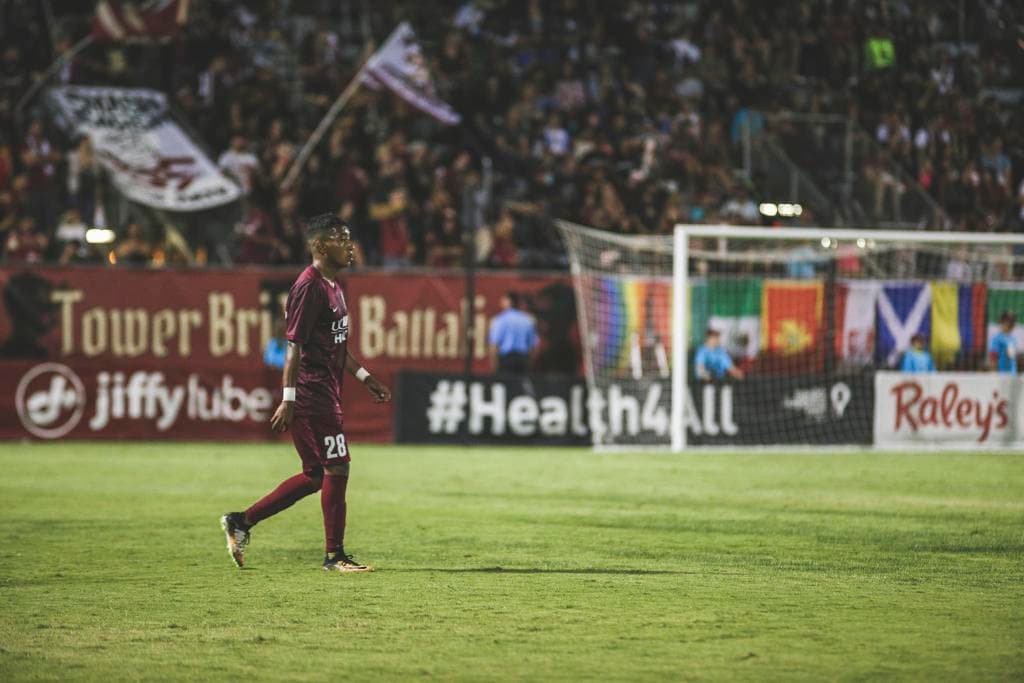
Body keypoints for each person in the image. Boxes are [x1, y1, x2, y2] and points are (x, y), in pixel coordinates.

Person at [221, 214, 392, 572]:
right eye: (341, 239)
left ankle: (241, 520)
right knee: (338, 466)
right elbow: (293, 346)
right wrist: (288, 398)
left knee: (316, 475)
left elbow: (336, 344)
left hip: (325, 390)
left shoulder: (334, 285)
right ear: (319, 246)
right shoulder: (309, 286)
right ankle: (335, 556)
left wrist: (366, 377)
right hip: (312, 393)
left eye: (349, 238)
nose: (349, 246)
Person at [488, 291, 538, 374]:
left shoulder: (500, 320)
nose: (501, 302)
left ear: (509, 302)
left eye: (504, 299)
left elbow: (494, 344)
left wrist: (494, 365)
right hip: (523, 359)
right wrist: (529, 364)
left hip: (506, 360)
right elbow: (533, 346)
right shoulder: (527, 320)